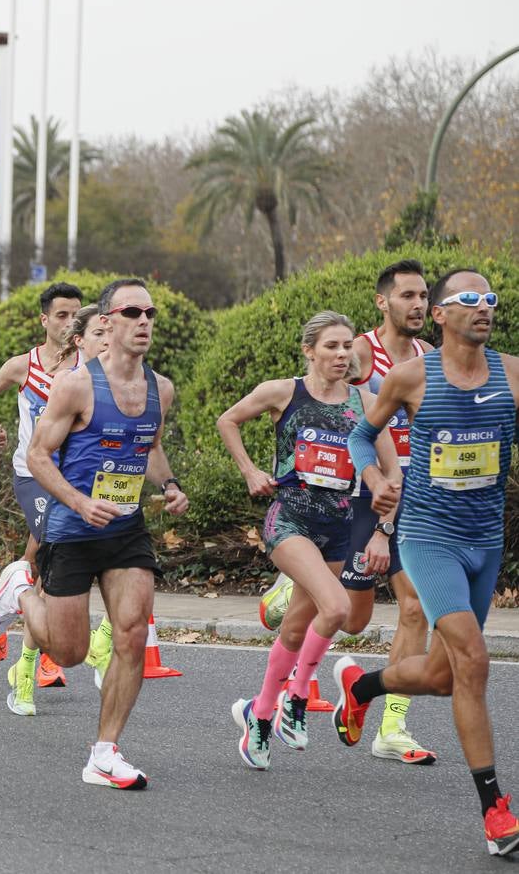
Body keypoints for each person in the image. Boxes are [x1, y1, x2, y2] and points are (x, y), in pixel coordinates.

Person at [0, 279, 188, 790]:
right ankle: (20, 593)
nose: (144, 322)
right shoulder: (74, 385)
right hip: (73, 529)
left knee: (133, 632)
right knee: (68, 651)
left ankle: (105, 751)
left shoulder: (160, 389)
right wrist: (77, 501)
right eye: (132, 312)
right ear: (108, 322)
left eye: (150, 313)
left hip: (125, 529)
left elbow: (151, 447)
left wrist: (170, 483)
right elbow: (37, 456)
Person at [342, 270, 519, 857]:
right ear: (441, 315)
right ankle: (496, 810)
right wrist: (375, 478)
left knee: (446, 676)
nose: (484, 308)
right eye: (468, 300)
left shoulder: (513, 374)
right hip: (427, 537)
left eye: (490, 299)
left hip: (485, 542)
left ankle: (362, 685)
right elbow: (361, 439)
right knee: (473, 660)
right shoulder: (411, 376)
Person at [217, 311, 400, 770]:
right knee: (336, 608)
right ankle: (295, 699)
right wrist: (250, 471)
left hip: (339, 529)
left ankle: (258, 714)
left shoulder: (366, 401)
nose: (341, 355)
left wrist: (382, 528)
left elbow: (393, 472)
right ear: (309, 351)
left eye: (346, 347)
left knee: (296, 629)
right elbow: (228, 420)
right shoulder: (284, 392)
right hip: (290, 521)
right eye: (331, 347)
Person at [338, 259, 436, 763]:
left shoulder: (429, 358)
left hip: (413, 499)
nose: (418, 304)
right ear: (383, 302)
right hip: (361, 497)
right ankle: (294, 589)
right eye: (407, 296)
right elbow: (333, 410)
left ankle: (392, 726)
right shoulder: (359, 351)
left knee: (415, 606)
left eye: (423, 296)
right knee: (352, 619)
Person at [0, 282, 83, 695]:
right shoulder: (24, 365)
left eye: (75, 314)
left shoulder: (87, 368)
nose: (69, 322)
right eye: (60, 314)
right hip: (32, 473)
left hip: (71, 479)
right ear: (44, 320)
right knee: (54, 543)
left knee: (40, 560)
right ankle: (43, 656)